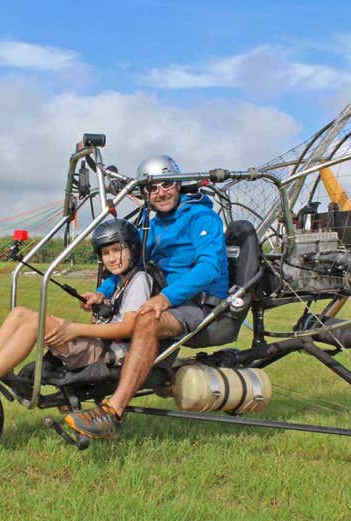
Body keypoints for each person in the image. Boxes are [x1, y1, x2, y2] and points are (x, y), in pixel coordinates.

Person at [65, 155, 229, 439]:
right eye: (153, 188)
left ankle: (113, 413)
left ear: (178, 186)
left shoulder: (202, 218)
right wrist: (102, 294)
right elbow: (134, 263)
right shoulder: (155, 226)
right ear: (145, 193)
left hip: (197, 304)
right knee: (123, 319)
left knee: (146, 320)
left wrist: (164, 298)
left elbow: (209, 267)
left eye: (167, 184)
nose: (161, 192)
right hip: (168, 299)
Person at [0, 219, 152, 417]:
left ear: (131, 248)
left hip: (107, 353)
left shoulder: (139, 279)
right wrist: (100, 301)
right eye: (106, 253)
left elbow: (130, 328)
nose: (112, 258)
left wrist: (76, 329)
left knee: (35, 324)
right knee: (20, 314)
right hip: (97, 344)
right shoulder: (123, 282)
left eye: (116, 250)